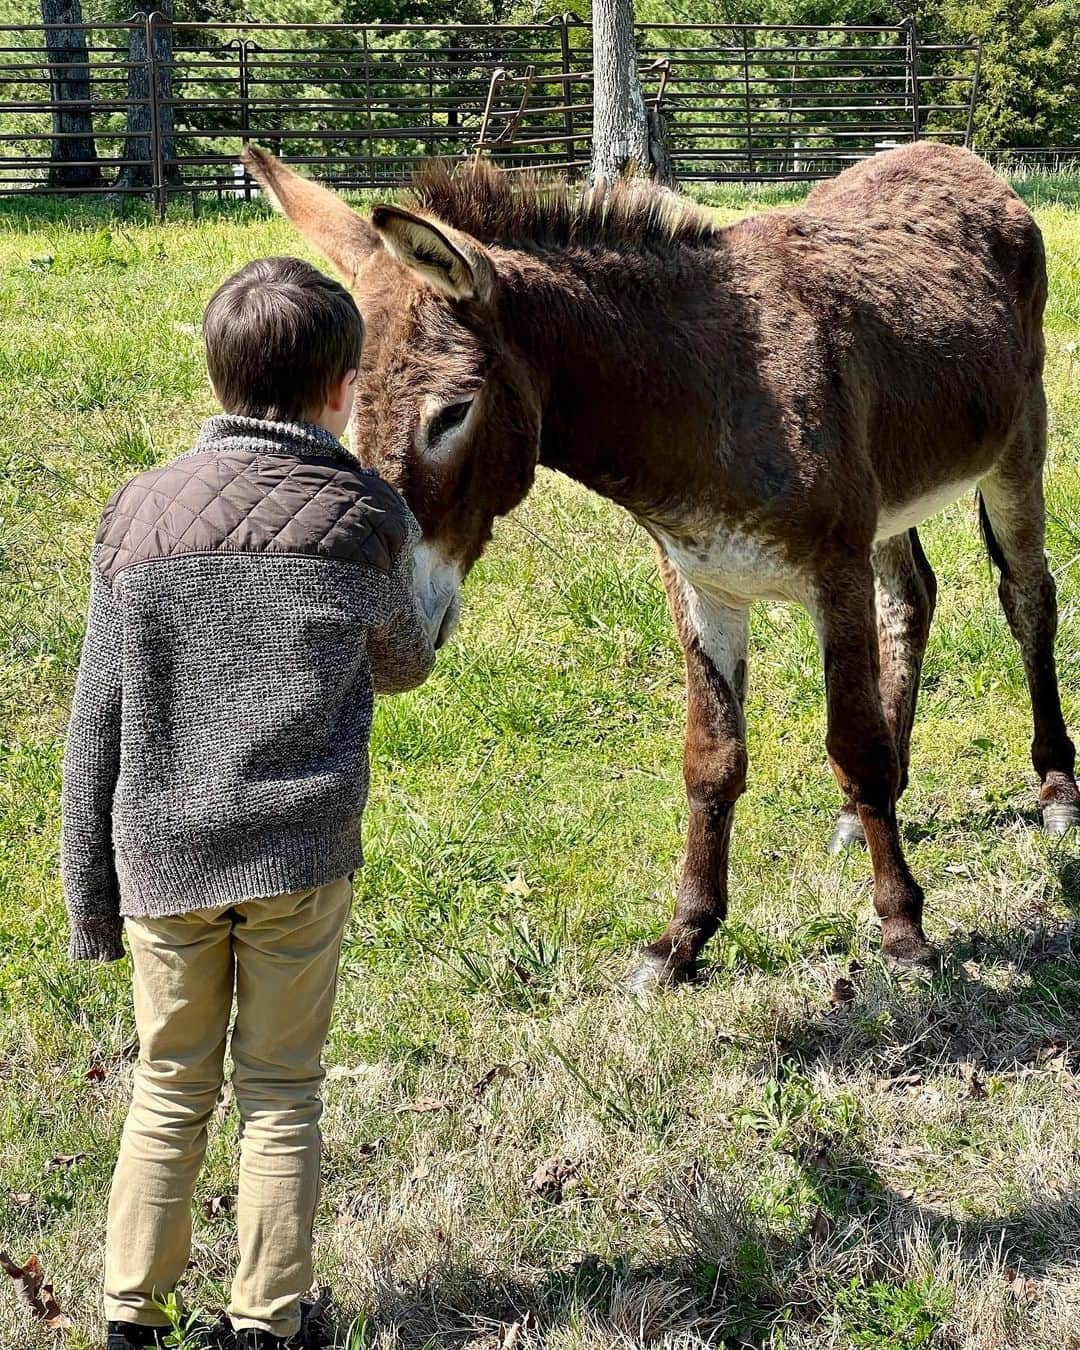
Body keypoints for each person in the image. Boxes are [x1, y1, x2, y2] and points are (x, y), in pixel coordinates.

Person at [61, 256, 436, 1350]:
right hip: (299, 860)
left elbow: (96, 721)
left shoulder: (138, 516)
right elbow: (403, 661)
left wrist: (92, 895)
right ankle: (269, 1319)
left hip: (163, 860)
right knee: (280, 1091)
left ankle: (133, 1311)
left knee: (168, 1087)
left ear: (218, 378)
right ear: (341, 391)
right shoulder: (363, 514)